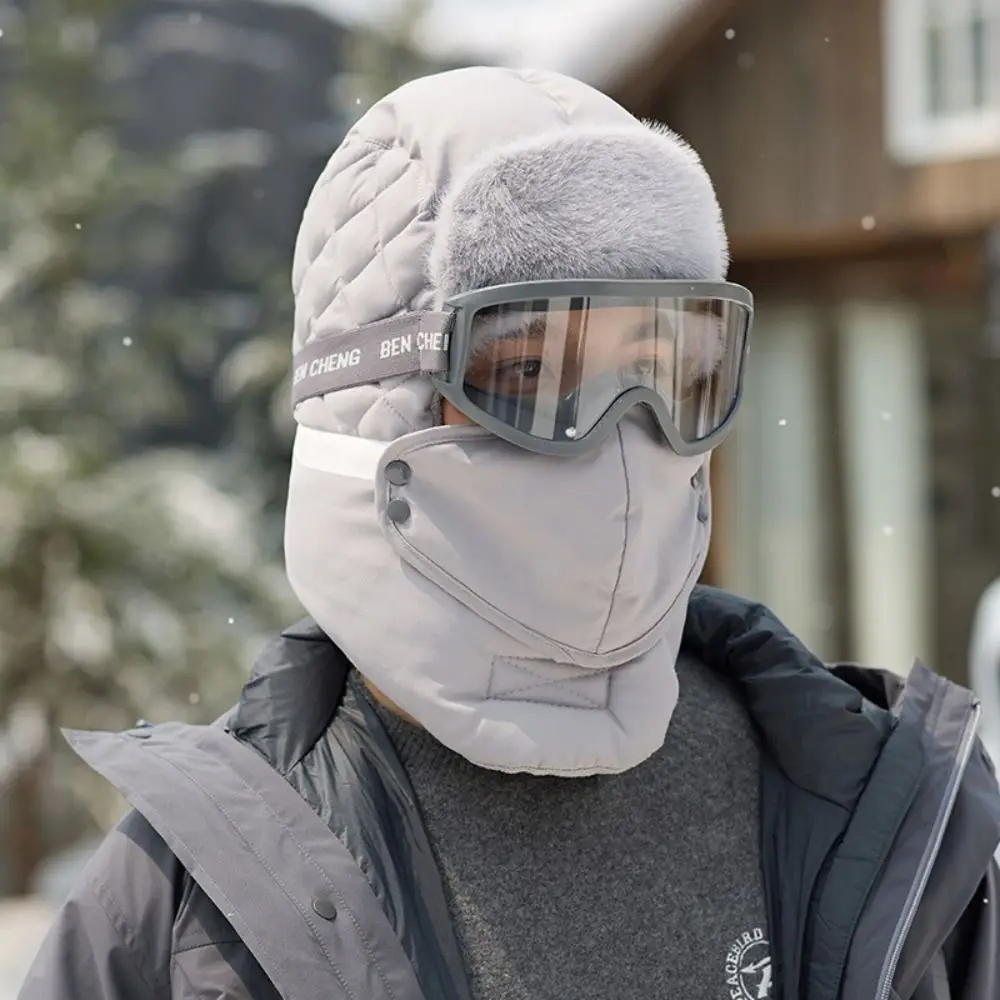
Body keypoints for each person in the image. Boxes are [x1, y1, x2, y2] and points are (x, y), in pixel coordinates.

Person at [19, 66, 1000, 1000]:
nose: (623, 442)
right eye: (530, 373)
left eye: (662, 373)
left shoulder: (874, 826)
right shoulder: (188, 903)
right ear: (378, 402)